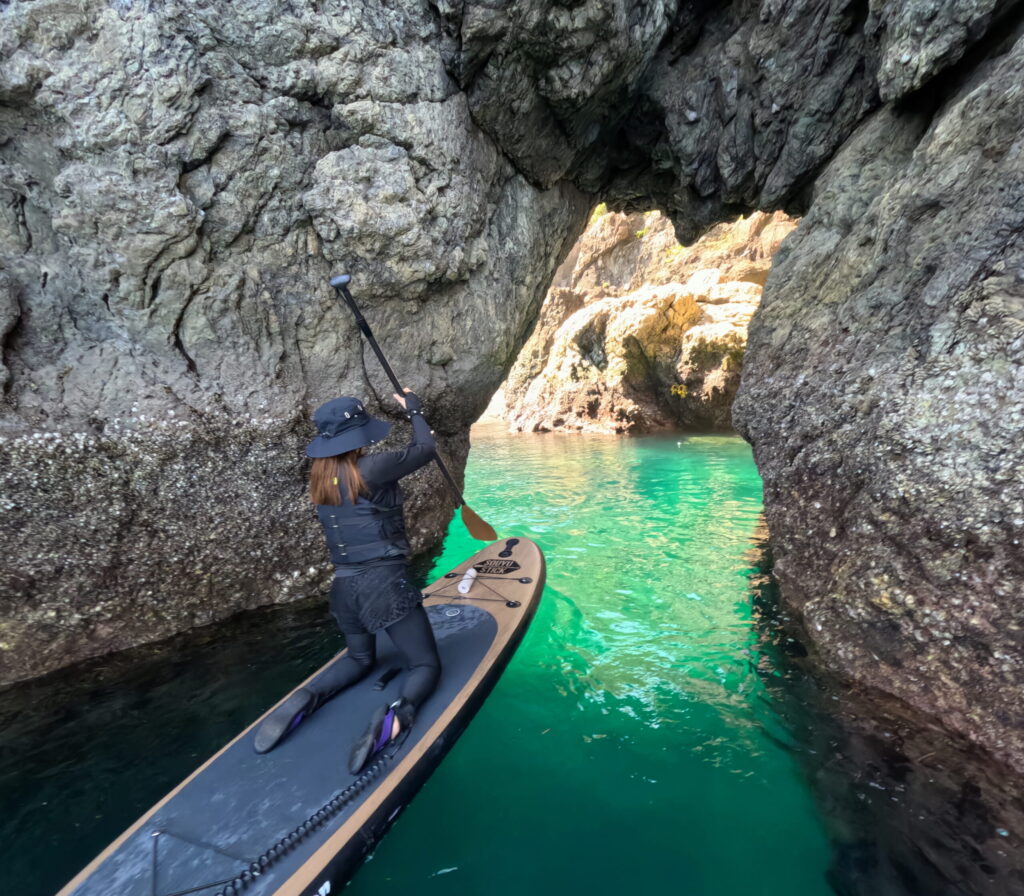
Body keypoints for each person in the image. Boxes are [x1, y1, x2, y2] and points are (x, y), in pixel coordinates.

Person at [254, 389, 441, 774]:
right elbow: (426, 448)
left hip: (343, 591)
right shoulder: (372, 468)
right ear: (357, 436)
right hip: (384, 586)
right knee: (424, 665)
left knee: (360, 659)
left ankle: (308, 697)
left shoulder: (320, 481)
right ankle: (396, 718)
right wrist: (414, 408)